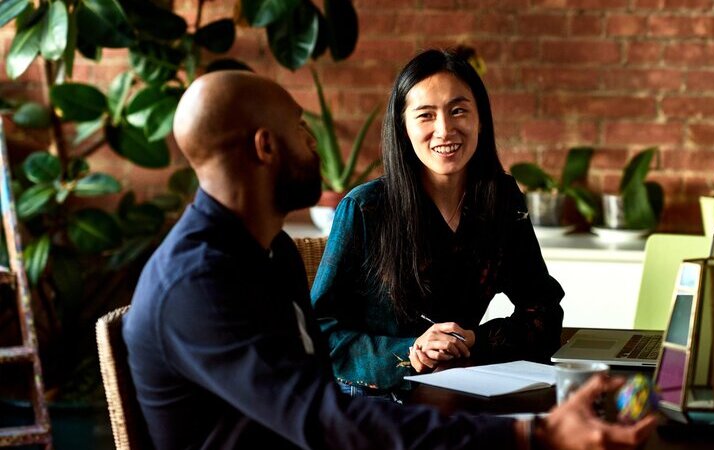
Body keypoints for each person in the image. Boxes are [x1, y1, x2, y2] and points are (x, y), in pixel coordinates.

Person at [122, 70, 656, 450]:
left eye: (460, 111)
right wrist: (531, 435)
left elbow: (318, 403)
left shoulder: (270, 252)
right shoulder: (198, 284)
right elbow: (320, 415)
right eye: (300, 128)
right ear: (266, 147)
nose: (313, 143)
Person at [311, 49, 564, 397]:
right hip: (375, 404)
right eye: (425, 115)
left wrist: (474, 340)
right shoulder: (365, 208)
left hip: (465, 393)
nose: (445, 130)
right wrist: (411, 351)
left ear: (481, 119)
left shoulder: (500, 199)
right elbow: (318, 333)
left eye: (458, 110)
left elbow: (544, 312)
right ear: (403, 127)